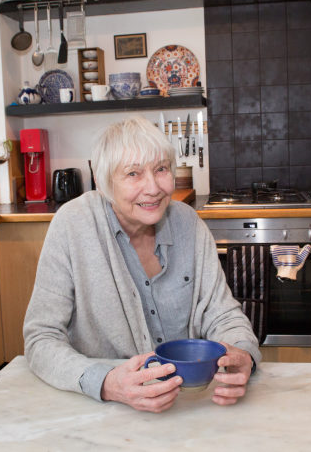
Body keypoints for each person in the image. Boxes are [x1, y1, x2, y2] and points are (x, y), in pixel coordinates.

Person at [24, 116, 260, 413]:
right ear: (104, 181)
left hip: (188, 407)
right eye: (133, 174)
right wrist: (106, 382)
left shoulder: (188, 223)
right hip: (99, 410)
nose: (153, 188)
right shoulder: (73, 224)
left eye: (161, 169)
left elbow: (223, 315)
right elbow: (41, 339)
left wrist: (245, 356)